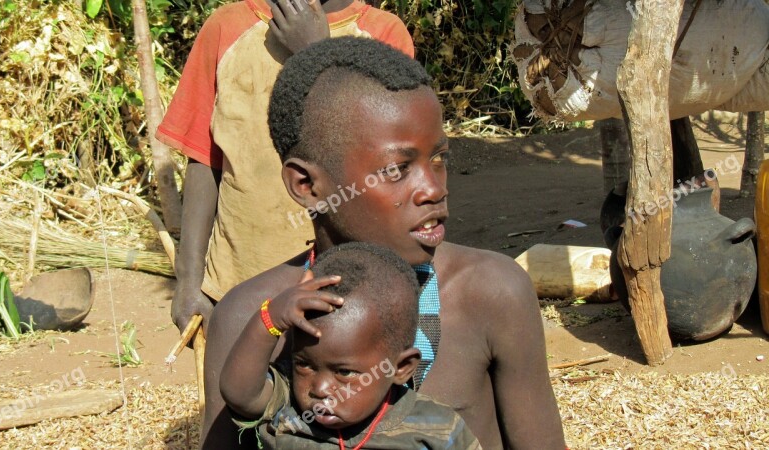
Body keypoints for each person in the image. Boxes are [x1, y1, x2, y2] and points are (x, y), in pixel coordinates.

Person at [203, 37, 566, 449]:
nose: (433, 188)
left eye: (439, 159)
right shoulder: (252, 317)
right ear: (306, 185)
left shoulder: (491, 292)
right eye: (396, 169)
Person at [155, 0, 414, 333]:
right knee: (239, 385)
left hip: (344, 298)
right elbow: (204, 159)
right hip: (235, 295)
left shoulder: (384, 35)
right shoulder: (227, 27)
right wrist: (189, 283)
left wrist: (317, 53)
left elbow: (389, 166)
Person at [221, 242, 482, 449]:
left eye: (344, 372)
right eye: (304, 365)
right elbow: (239, 393)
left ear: (401, 367)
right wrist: (270, 319)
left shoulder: (438, 428)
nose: (320, 389)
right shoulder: (287, 406)